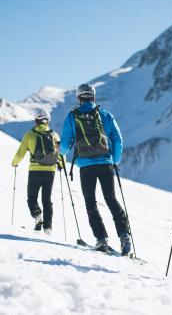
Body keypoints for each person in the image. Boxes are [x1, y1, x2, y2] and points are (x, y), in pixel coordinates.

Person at [59, 83, 131, 255]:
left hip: (86, 166)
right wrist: (114, 160)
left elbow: (64, 146)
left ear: (78, 98)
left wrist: (62, 152)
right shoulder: (105, 114)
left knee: (90, 202)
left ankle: (101, 239)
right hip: (105, 163)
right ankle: (124, 235)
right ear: (93, 96)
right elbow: (117, 139)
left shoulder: (72, 116)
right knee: (111, 199)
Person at [12, 111, 61, 235]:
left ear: (36, 121)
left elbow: (20, 152)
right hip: (50, 171)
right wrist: (61, 164)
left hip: (35, 170)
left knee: (32, 197)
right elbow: (59, 153)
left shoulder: (30, 134)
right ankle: (48, 228)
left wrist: (14, 162)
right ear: (47, 121)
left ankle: (37, 215)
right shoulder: (54, 135)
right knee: (47, 199)